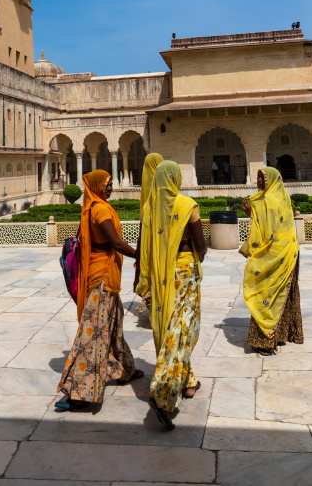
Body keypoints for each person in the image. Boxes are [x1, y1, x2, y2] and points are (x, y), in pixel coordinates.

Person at [57, 170, 143, 409]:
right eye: (106, 184)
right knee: (93, 333)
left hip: (104, 273)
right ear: (95, 185)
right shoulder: (100, 209)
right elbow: (116, 242)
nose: (110, 188)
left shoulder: (93, 206)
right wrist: (142, 256)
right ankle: (81, 392)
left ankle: (125, 369)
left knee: (114, 322)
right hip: (102, 276)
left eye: (111, 184)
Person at [136, 160, 207, 429]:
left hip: (159, 275)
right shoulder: (187, 205)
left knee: (169, 324)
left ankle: (187, 381)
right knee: (182, 328)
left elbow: (143, 247)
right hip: (185, 273)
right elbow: (201, 245)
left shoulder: (147, 208)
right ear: (175, 178)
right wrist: (197, 255)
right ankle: (163, 392)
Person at [241, 167, 303, 356]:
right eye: (259, 177)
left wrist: (251, 213)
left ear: (272, 180)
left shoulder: (265, 200)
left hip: (275, 255)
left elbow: (266, 232)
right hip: (290, 251)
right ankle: (285, 334)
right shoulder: (284, 197)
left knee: (266, 295)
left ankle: (264, 341)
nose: (259, 180)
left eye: (263, 178)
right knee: (284, 292)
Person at [134, 153, 163, 295]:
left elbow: (141, 232)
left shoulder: (145, 204)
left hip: (148, 248)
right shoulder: (164, 187)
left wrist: (138, 258)